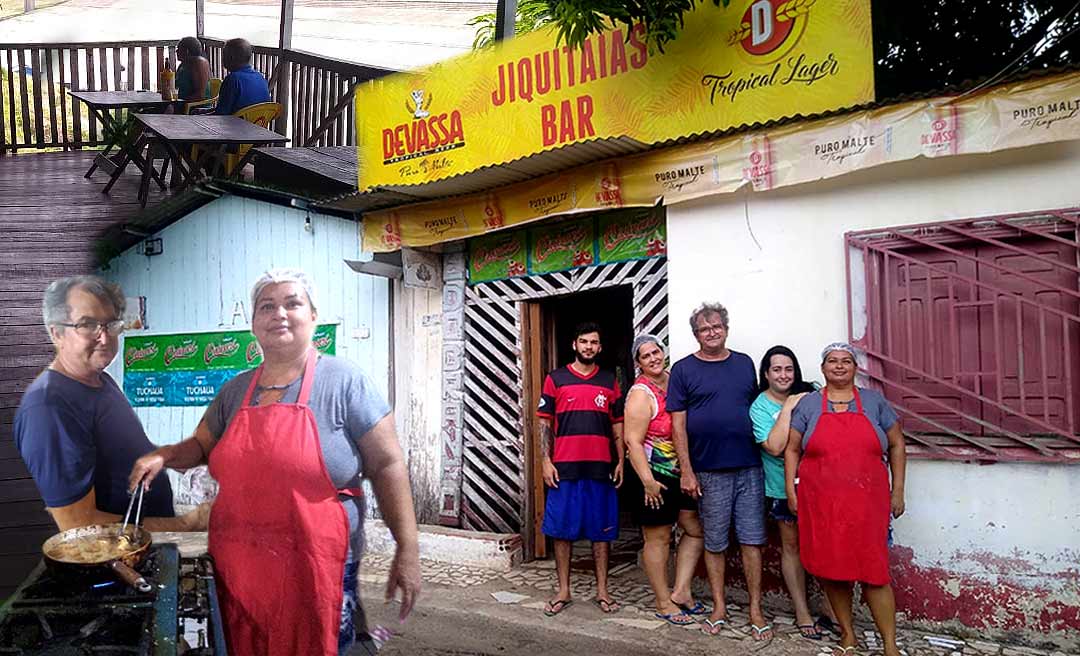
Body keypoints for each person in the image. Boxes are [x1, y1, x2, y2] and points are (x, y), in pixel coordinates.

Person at [129, 268, 420, 656]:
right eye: (267, 306)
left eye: (292, 303)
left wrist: (408, 549)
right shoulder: (234, 392)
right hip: (240, 564)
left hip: (316, 566)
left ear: (313, 316)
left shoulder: (345, 382)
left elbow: (388, 466)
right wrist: (163, 455)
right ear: (253, 323)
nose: (279, 313)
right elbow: (199, 446)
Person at [13, 276, 206, 532]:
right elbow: (78, 527)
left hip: (137, 553)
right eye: (88, 324)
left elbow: (125, 451)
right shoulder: (49, 406)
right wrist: (185, 524)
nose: (104, 338)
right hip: (108, 566)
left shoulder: (101, 381)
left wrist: (180, 459)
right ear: (56, 333)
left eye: (111, 324)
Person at [786, 343, 907, 656]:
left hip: (868, 504)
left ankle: (890, 646)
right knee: (832, 569)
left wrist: (898, 490)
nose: (839, 366)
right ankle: (848, 636)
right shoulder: (810, 405)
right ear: (823, 368)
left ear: (855, 368)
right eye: (832, 361)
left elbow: (896, 444)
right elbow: (792, 450)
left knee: (875, 572)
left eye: (846, 361)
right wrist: (791, 491)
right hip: (822, 504)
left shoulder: (874, 402)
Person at [668, 302, 771, 641]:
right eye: (703, 328)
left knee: (752, 540)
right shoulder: (683, 370)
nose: (711, 332)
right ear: (695, 334)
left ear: (726, 327)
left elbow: (759, 406)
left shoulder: (744, 364)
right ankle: (719, 606)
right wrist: (687, 471)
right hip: (708, 471)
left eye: (716, 326)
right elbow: (678, 425)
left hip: (749, 467)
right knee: (714, 542)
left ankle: (755, 608)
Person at [537, 322, 625, 617]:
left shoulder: (609, 380)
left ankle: (602, 590)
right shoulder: (556, 379)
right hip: (564, 468)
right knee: (562, 531)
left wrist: (622, 459)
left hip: (601, 468)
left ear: (600, 347)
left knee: (602, 532)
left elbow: (618, 424)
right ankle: (564, 590)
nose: (589, 347)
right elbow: (544, 422)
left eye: (594, 342)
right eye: (584, 341)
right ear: (575, 344)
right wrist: (545, 461)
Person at [750, 345, 837, 640]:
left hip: (821, 485)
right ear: (766, 374)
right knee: (792, 548)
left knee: (825, 545)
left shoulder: (813, 394)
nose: (784, 375)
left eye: (788, 369)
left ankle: (831, 607)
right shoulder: (760, 406)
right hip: (780, 488)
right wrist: (788, 408)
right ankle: (801, 611)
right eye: (777, 369)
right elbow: (774, 447)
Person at [623, 334, 707, 626]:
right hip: (653, 474)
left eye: (656, 352)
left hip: (682, 470)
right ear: (638, 363)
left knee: (693, 529)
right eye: (646, 356)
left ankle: (681, 591)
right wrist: (647, 481)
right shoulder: (639, 394)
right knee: (657, 537)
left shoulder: (675, 380)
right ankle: (662, 600)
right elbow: (632, 442)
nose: (653, 358)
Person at [214, 38, 271, 115]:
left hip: (237, 125)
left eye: (224, 54)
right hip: (258, 124)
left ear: (231, 57)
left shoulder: (233, 79)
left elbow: (221, 114)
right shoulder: (260, 77)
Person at [175, 36, 211, 102]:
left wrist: (179, 104)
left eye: (178, 49)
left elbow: (200, 95)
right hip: (183, 103)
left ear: (187, 51)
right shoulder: (183, 64)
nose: (176, 51)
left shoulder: (199, 63)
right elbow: (176, 86)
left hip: (197, 107)